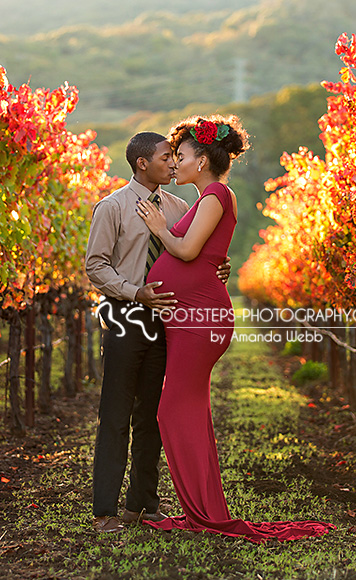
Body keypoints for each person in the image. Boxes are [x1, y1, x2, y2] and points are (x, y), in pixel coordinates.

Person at [136, 115, 334, 542]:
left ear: (203, 159)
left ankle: (203, 511)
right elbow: (206, 254)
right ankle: (203, 508)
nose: (175, 164)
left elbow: (188, 251)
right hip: (189, 317)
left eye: (182, 156)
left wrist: (158, 228)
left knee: (172, 410)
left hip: (199, 321)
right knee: (190, 411)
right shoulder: (207, 197)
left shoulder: (215, 195)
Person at [85, 132, 231, 533]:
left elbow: (197, 251)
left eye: (175, 157)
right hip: (125, 316)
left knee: (152, 414)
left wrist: (219, 267)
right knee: (115, 413)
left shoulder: (179, 205)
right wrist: (136, 292)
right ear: (141, 164)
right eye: (166, 157)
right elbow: (96, 267)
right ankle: (105, 511)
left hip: (169, 320)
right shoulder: (112, 207)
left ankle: (143, 503)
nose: (172, 163)